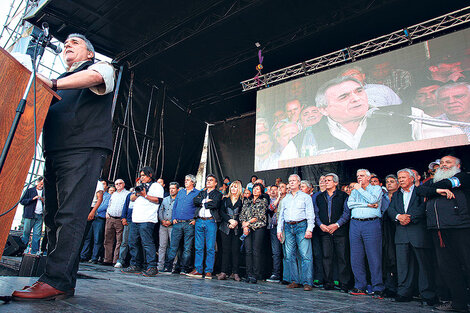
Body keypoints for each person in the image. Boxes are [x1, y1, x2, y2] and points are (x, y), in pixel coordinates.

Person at [12, 33, 115, 300]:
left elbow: (97, 78)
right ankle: (61, 281)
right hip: (55, 150)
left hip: (82, 148)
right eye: (66, 43)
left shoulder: (99, 67)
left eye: (75, 43)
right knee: (53, 217)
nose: (67, 45)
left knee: (69, 215)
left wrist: (54, 82)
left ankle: (55, 279)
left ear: (90, 54)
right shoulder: (59, 81)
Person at [280, 77, 412, 160]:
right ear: (323, 109)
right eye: (344, 97)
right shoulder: (302, 140)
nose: (356, 98)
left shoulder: (402, 116)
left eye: (359, 91)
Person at [416, 155, 470, 312]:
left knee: (468, 264)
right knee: (448, 268)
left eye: (448, 163)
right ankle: (459, 303)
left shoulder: (462, 177)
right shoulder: (434, 182)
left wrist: (433, 189)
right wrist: (438, 190)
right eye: (441, 163)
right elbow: (419, 190)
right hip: (439, 230)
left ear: (458, 166)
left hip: (460, 228)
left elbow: (447, 183)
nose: (443, 165)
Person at [387, 169, 437, 305]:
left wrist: (410, 217)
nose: (401, 180)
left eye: (403, 177)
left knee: (424, 266)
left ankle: (427, 295)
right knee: (403, 266)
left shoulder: (421, 191)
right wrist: (398, 217)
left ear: (412, 178)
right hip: (401, 234)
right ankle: (404, 292)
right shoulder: (396, 194)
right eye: (399, 178)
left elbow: (424, 207)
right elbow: (390, 210)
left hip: (418, 233)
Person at [347, 169, 384, 298]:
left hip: (371, 223)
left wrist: (361, 191)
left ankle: (377, 286)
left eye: (362, 176)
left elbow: (374, 199)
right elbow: (350, 204)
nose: (359, 178)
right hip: (355, 224)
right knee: (356, 257)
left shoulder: (376, 189)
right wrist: (368, 205)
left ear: (368, 178)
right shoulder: (354, 190)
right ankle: (359, 285)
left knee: (374, 256)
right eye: (357, 176)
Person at [123, 167, 164, 277]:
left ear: (150, 175)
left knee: (147, 243)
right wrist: (138, 193)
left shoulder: (156, 186)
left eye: (143, 175)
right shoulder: (140, 186)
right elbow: (131, 198)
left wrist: (145, 195)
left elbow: (158, 200)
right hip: (136, 218)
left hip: (147, 218)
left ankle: (152, 266)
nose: (142, 177)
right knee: (132, 242)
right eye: (140, 175)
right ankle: (135, 264)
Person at [277, 174, 315, 291]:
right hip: (288, 227)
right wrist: (279, 230)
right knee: (289, 255)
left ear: (299, 183)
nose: (291, 183)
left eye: (294, 180)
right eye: (290, 181)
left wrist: (310, 229)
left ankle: (307, 282)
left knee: (305, 255)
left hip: (302, 225)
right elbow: (281, 216)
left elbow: (310, 214)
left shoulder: (305, 197)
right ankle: (295, 280)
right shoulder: (286, 198)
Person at [314, 173, 351, 292]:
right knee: (326, 257)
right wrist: (321, 225)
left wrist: (336, 225)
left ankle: (344, 283)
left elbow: (346, 213)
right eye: (325, 180)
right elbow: (316, 213)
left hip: (340, 231)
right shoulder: (319, 197)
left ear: (335, 183)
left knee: (342, 257)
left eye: (329, 180)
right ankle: (328, 282)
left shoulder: (343, 195)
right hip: (324, 231)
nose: (326, 182)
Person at [188, 174, 223, 279]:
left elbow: (215, 204)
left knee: (210, 248)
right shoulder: (202, 193)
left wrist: (204, 202)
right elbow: (195, 201)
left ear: (215, 183)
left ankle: (208, 271)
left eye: (211, 180)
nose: (208, 182)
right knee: (198, 247)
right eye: (207, 180)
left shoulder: (217, 194)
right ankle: (198, 269)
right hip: (199, 221)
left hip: (210, 222)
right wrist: (204, 201)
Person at [163, 174, 199, 274]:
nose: (185, 181)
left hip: (189, 224)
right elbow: (175, 206)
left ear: (193, 182)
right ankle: (168, 267)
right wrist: (173, 218)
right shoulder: (181, 192)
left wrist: (195, 219)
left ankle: (184, 268)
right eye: (185, 180)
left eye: (188, 180)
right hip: (177, 223)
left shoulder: (198, 193)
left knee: (187, 248)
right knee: (173, 246)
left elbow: (199, 207)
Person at [239, 183, 268, 284]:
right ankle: (248, 273)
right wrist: (244, 225)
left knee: (256, 251)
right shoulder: (247, 201)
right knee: (248, 251)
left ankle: (256, 274)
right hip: (247, 228)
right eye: (254, 189)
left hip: (258, 227)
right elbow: (242, 214)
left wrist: (248, 223)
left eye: (258, 189)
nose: (255, 191)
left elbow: (259, 215)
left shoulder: (263, 201)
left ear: (261, 191)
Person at [217, 181, 243, 281]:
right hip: (225, 227)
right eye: (232, 187)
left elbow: (243, 213)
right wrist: (230, 220)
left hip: (237, 227)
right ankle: (223, 272)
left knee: (236, 250)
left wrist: (236, 221)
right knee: (225, 250)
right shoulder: (225, 199)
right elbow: (221, 212)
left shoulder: (242, 200)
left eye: (235, 187)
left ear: (239, 189)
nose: (233, 189)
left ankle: (235, 273)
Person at [80, 180, 110, 264]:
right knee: (85, 236)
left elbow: (100, 199)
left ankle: (94, 257)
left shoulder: (98, 184)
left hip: (93, 210)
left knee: (96, 238)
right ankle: (82, 255)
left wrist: (93, 211)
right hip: (83, 208)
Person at [103, 179, 130, 265]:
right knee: (108, 239)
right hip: (110, 218)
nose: (118, 185)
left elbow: (128, 207)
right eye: (116, 184)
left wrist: (124, 217)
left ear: (124, 184)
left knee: (120, 241)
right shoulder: (113, 194)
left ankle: (116, 260)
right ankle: (107, 259)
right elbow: (109, 204)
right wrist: (107, 212)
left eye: (120, 183)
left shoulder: (127, 194)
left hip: (119, 219)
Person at [157, 182, 179, 271]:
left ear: (177, 189)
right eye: (170, 188)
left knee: (173, 246)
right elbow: (160, 211)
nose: (171, 190)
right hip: (163, 225)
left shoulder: (179, 200)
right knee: (162, 246)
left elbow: (178, 212)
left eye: (173, 188)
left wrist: (170, 222)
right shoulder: (165, 199)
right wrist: (162, 220)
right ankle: (160, 265)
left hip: (172, 225)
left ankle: (173, 266)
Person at [20, 177, 45, 255]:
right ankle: (22, 249)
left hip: (40, 215)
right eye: (41, 183)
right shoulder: (30, 191)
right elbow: (22, 201)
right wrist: (32, 199)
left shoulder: (45, 192)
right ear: (37, 182)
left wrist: (43, 200)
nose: (42, 185)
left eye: (43, 184)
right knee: (26, 232)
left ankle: (34, 252)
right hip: (30, 215)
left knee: (37, 234)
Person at [266, 184, 284, 283]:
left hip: (284, 228)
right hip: (273, 227)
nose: (273, 191)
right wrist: (278, 200)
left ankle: (286, 275)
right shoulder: (270, 200)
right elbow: (271, 208)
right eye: (271, 190)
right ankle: (276, 273)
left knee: (286, 253)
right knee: (275, 252)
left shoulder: (285, 199)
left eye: (275, 190)